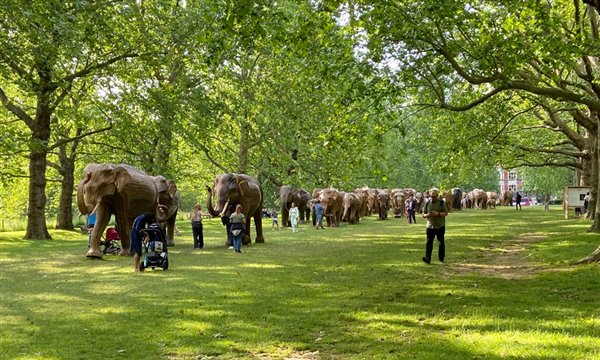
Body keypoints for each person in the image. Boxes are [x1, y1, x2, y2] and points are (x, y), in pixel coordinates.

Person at [421, 188, 448, 264]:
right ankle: (428, 258)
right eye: (431, 196)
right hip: (430, 226)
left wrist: (438, 214)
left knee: (441, 242)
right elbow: (423, 214)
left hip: (440, 225)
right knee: (429, 242)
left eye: (434, 196)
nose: (433, 198)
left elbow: (446, 213)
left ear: (437, 195)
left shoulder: (442, 203)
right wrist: (428, 215)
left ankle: (441, 258)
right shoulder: (427, 203)